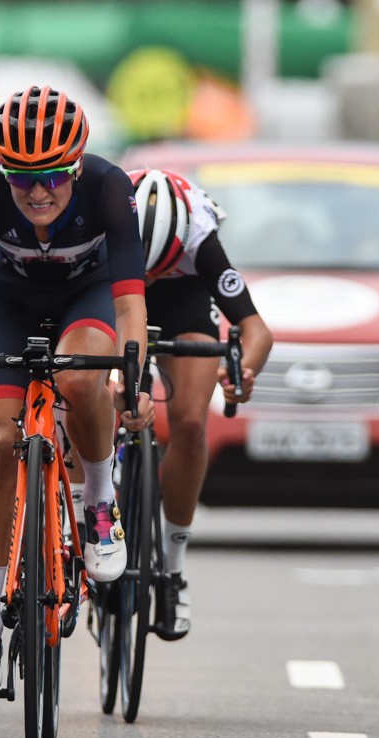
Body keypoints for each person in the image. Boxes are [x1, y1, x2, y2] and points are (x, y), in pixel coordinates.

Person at [0, 85, 153, 690]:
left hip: (88, 295)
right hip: (5, 301)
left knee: (79, 375)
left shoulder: (109, 189)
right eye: (22, 177)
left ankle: (100, 504)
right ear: (2, 171)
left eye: (52, 174)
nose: (38, 190)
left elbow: (130, 309)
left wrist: (134, 374)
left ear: (77, 166)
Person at [122, 168, 272, 638]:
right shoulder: (105, 213)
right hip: (115, 289)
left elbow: (257, 331)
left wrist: (241, 372)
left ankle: (173, 568)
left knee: (188, 422)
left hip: (183, 297)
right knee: (99, 391)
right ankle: (96, 513)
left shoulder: (199, 235)